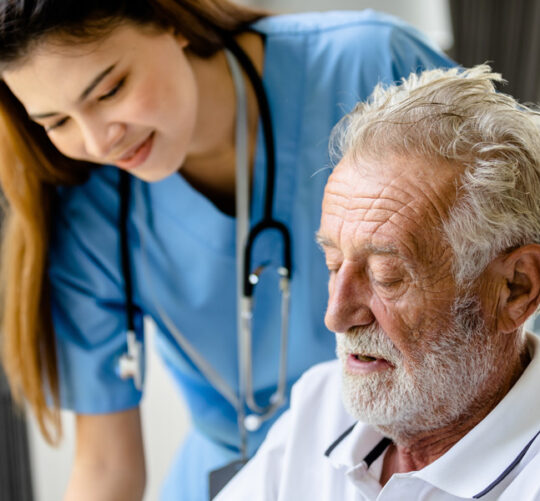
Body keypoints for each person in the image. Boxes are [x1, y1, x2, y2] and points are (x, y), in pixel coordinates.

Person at [0, 1, 454, 499]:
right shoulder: (88, 207)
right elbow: (107, 465)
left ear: (167, 18)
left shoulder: (372, 64)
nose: (98, 140)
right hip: (231, 476)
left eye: (110, 89)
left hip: (420, 460)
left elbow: (513, 268)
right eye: (55, 121)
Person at [216, 64, 540, 500]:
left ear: (515, 289)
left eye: (387, 277)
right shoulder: (323, 400)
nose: (336, 315)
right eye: (333, 264)